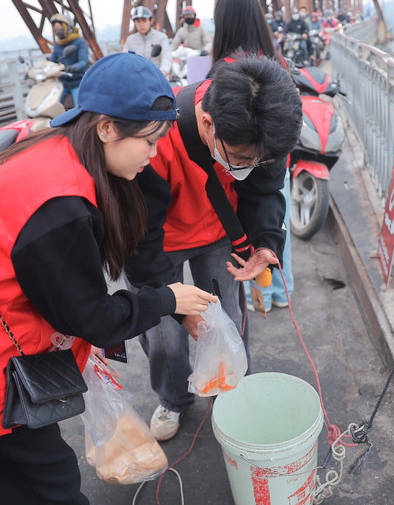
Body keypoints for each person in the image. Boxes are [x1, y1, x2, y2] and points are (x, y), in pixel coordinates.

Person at [0, 52, 216, 505]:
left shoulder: (50, 151)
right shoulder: (61, 207)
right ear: (107, 128)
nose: (155, 155)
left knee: (12, 489)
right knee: (50, 486)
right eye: (149, 141)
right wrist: (168, 300)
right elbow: (93, 318)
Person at [125, 54, 302, 441]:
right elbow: (136, 237)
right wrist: (173, 306)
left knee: (226, 317)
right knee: (164, 332)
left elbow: (265, 189)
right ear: (208, 123)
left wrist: (267, 243)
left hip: (220, 231)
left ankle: (230, 394)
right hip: (159, 242)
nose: (249, 166)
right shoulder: (157, 137)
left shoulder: (265, 132)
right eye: (240, 159)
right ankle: (172, 399)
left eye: (260, 160)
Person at [209, 0, 294, 313]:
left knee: (246, 236)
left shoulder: (222, 74)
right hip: (275, 163)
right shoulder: (277, 65)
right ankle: (282, 293)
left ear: (222, 25)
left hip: (234, 171)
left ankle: (255, 296)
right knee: (275, 226)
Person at [49, 13, 90, 108]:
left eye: (60, 27)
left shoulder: (79, 42)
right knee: (53, 105)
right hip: (63, 82)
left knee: (79, 107)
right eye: (56, 28)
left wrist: (74, 67)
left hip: (77, 81)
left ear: (67, 27)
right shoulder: (58, 44)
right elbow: (52, 62)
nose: (58, 30)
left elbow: (84, 61)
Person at [123, 5, 171, 77]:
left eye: (144, 20)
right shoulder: (130, 40)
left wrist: (163, 72)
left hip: (157, 77)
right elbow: (124, 59)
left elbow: (166, 58)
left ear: (151, 21)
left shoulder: (161, 37)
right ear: (135, 23)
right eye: (138, 21)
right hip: (136, 78)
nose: (141, 24)